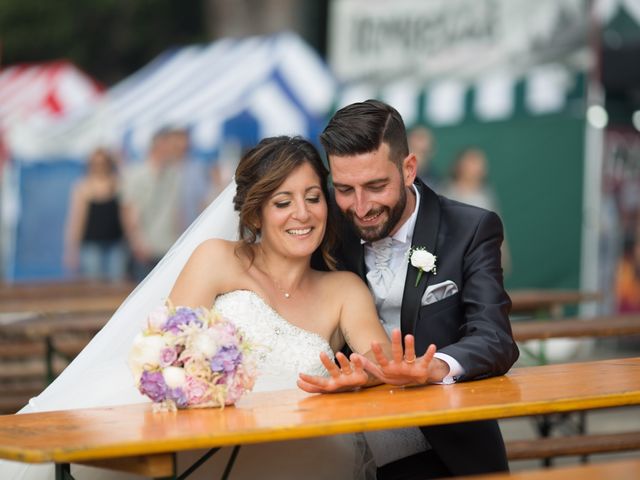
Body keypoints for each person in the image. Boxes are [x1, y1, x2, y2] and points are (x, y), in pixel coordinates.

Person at [1, 136, 433, 480]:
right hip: (192, 441)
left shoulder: (344, 290)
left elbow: (386, 364)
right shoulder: (217, 259)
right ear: (256, 211)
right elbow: (162, 352)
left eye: (313, 197)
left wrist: (363, 380)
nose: (302, 214)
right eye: (282, 202)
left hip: (298, 455)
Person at [319, 99, 519, 479]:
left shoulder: (470, 228)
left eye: (376, 186)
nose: (360, 207)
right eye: (345, 189)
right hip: (339, 447)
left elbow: (495, 338)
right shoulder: (323, 228)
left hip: (444, 452)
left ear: (409, 168)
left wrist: (434, 367)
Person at [120, 128, 184, 282]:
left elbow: (176, 212)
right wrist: (137, 243)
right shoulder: (136, 174)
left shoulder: (173, 174)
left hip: (168, 247)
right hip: (145, 249)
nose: (175, 150)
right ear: (160, 146)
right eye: (171, 146)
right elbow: (129, 212)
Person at [440, 147, 512, 274]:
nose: (478, 167)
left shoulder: (487, 194)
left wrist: (503, 253)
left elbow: (497, 225)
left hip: (484, 258)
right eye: (473, 162)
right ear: (460, 166)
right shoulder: (446, 192)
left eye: (481, 163)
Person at [63, 148, 127, 282]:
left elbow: (127, 213)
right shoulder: (83, 186)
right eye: (95, 164)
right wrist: (71, 250)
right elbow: (76, 219)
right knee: (94, 285)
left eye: (103, 163)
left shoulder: (117, 183)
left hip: (115, 244)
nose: (99, 167)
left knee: (118, 284)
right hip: (91, 245)